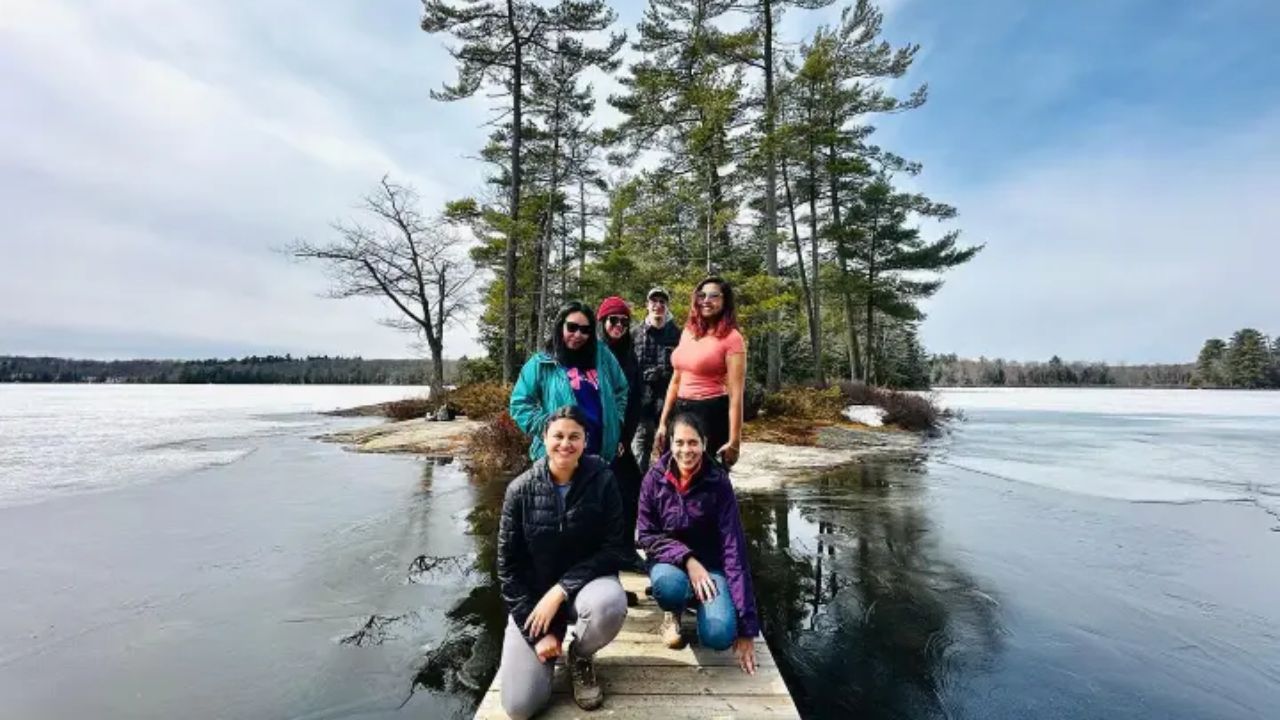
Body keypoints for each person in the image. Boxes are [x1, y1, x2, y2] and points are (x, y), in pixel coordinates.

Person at [496, 405, 631, 716]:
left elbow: (614, 549)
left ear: (585, 441)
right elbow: (507, 569)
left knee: (609, 604)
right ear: (544, 438)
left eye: (575, 436)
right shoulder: (520, 490)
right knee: (519, 707)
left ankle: (580, 655)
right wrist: (537, 632)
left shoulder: (604, 481)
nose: (565, 444)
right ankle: (545, 646)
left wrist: (561, 590)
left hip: (584, 587)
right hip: (534, 601)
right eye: (558, 436)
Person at [636, 412, 759, 675]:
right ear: (670, 443)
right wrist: (687, 559)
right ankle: (674, 611)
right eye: (679, 442)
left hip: (711, 566)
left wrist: (747, 628)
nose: (686, 450)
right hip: (670, 563)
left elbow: (734, 550)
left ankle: (700, 598)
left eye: (693, 443)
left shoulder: (718, 483)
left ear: (704, 443)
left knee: (719, 635)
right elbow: (646, 535)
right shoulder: (653, 479)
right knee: (669, 587)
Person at [510, 301, 629, 463]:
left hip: (599, 457)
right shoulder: (541, 362)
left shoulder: (602, 354)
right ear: (561, 327)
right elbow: (520, 405)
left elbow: (621, 389)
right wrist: (549, 427)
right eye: (572, 327)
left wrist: (616, 421)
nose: (578, 334)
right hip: (558, 459)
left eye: (585, 330)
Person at [654, 277, 746, 468]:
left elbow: (736, 396)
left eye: (714, 296)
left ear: (725, 301)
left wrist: (734, 442)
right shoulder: (689, 331)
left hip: (711, 413)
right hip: (680, 411)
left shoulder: (732, 338)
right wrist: (663, 424)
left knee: (708, 480)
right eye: (702, 295)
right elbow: (676, 379)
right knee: (672, 475)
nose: (706, 300)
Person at [596, 296, 644, 567]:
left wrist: (623, 438)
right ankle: (603, 552)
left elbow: (634, 400)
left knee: (631, 488)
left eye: (624, 322)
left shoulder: (629, 355)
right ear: (602, 322)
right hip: (595, 439)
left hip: (620, 440)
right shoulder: (593, 352)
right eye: (613, 320)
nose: (619, 326)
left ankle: (626, 549)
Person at [630, 286, 681, 475]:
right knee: (639, 456)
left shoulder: (678, 335)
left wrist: (663, 373)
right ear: (647, 305)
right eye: (654, 301)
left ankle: (667, 499)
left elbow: (682, 370)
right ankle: (639, 499)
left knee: (668, 457)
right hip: (641, 407)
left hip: (668, 407)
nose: (658, 305)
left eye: (662, 302)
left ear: (667, 306)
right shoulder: (634, 334)